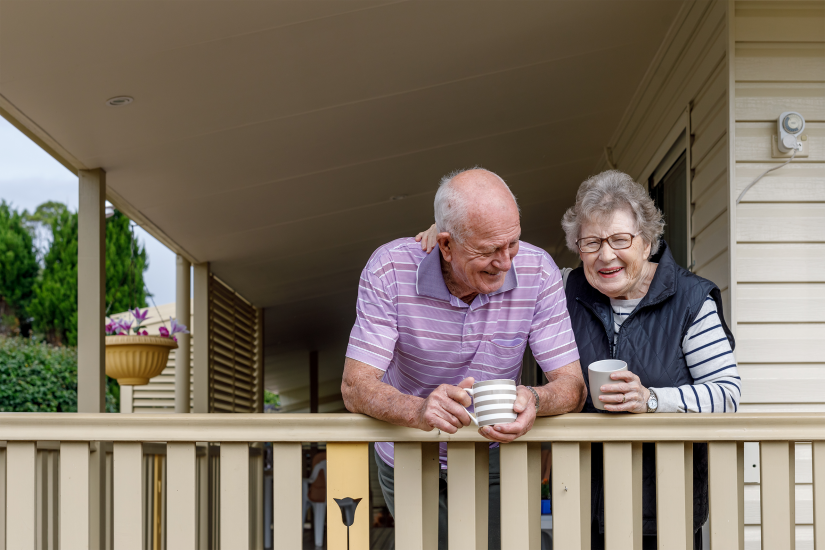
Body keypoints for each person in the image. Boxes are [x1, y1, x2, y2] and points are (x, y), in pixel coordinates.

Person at [416, 170, 740, 549]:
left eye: (620, 239)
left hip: (664, 505)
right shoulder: (563, 289)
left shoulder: (690, 300)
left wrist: (651, 400)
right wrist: (449, 239)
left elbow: (727, 394)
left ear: (648, 240)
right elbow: (496, 247)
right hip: (578, 500)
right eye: (591, 242)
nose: (606, 255)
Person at [342, 168, 587, 550]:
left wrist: (535, 400)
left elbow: (572, 387)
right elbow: (355, 387)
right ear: (445, 245)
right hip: (407, 449)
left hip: (491, 451)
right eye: (488, 250)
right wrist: (420, 411)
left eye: (513, 244)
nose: (505, 262)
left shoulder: (538, 271)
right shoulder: (389, 269)